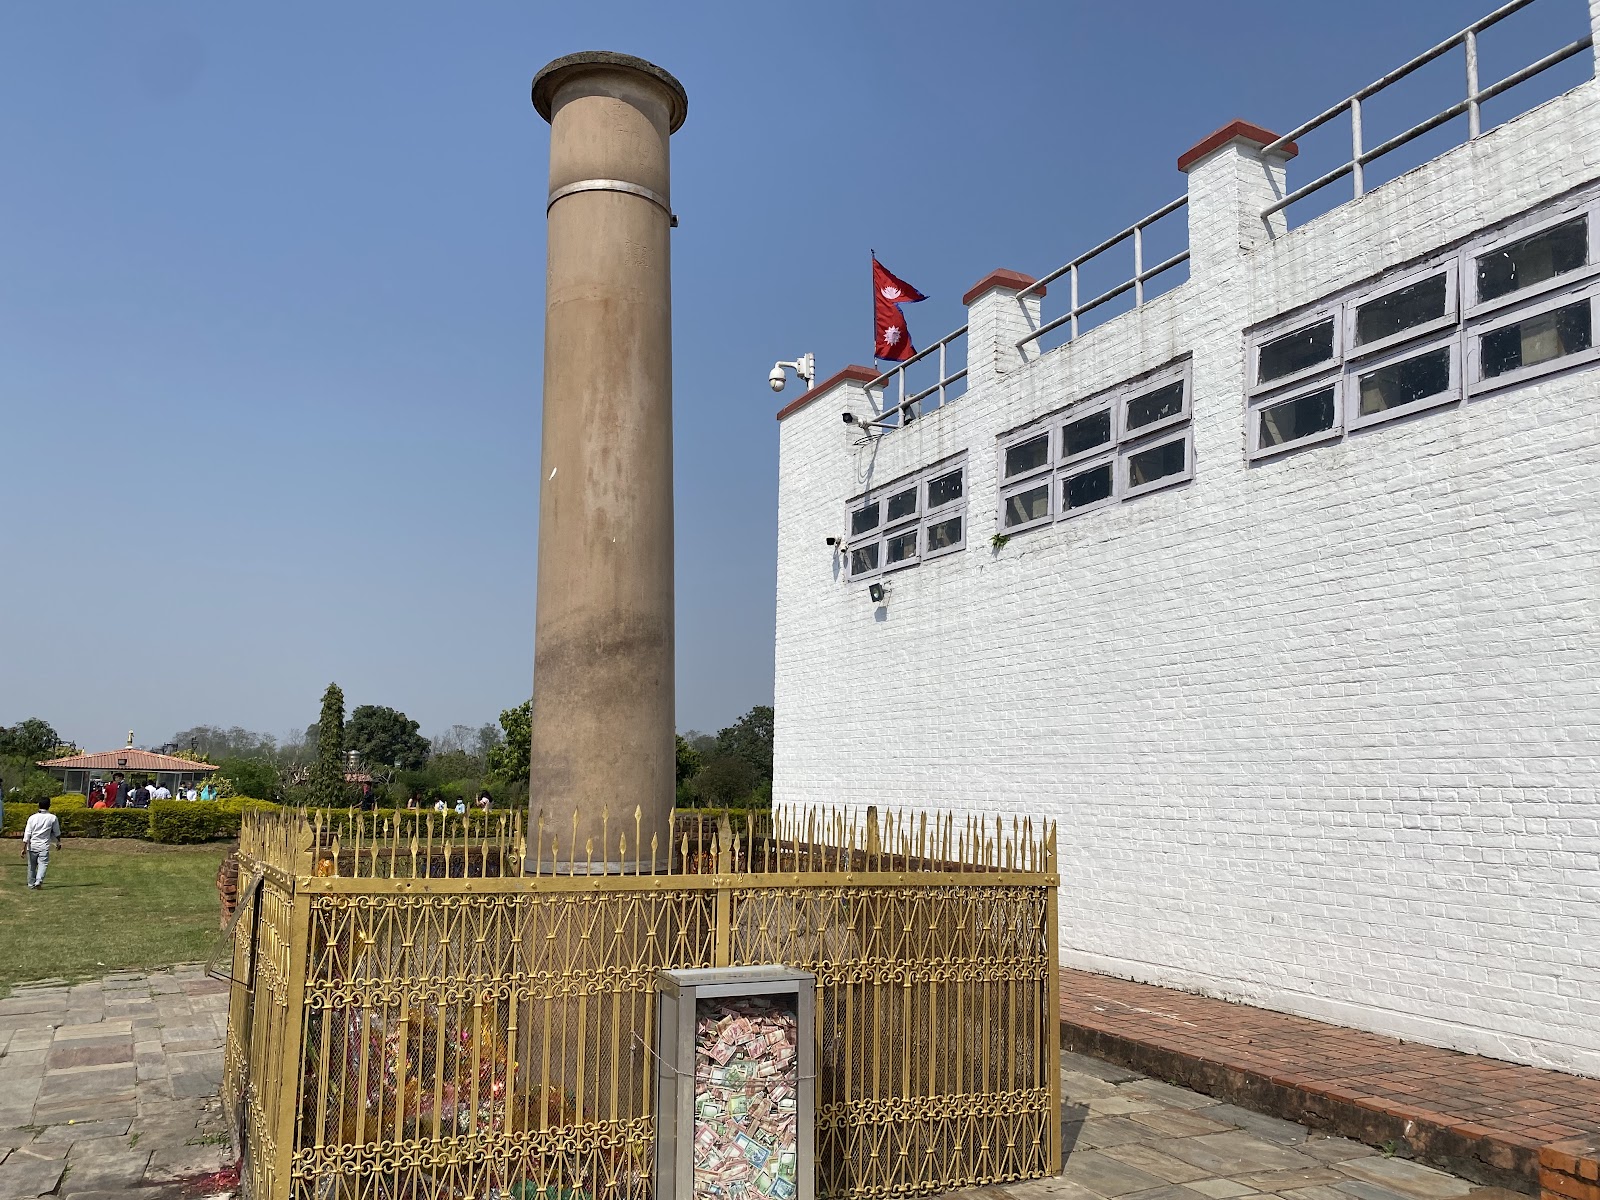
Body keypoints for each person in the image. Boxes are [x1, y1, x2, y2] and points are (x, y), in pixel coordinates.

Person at [23, 799, 63, 889]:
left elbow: (27, 833)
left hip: (32, 845)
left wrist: (24, 847)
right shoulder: (52, 818)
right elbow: (57, 832)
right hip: (44, 845)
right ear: (49, 806)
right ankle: (39, 880)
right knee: (43, 864)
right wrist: (58, 842)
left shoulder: (32, 818)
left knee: (31, 866)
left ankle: (30, 884)